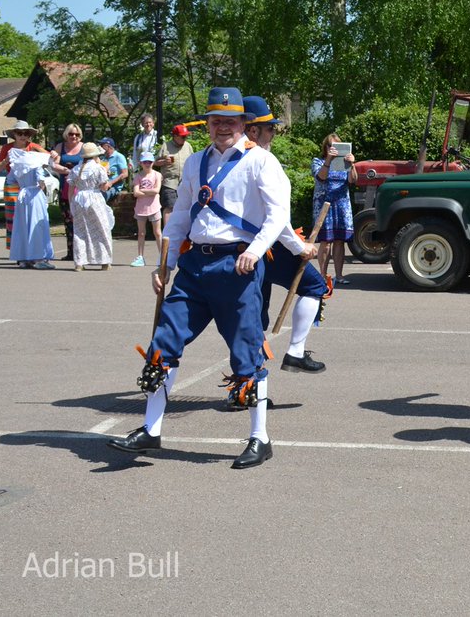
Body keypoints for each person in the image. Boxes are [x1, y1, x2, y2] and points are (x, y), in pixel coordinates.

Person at [108, 87, 294, 469]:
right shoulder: (194, 163)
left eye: (231, 121)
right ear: (207, 124)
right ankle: (151, 429)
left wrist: (254, 252)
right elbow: (180, 219)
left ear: (245, 124)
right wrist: (167, 264)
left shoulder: (261, 162)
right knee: (163, 343)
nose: (223, 127)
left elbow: (278, 217)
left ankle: (260, 437)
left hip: (237, 266)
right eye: (216, 121)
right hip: (194, 268)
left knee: (247, 353)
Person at [243, 95, 328, 374]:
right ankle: (295, 352)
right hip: (268, 246)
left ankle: (248, 377)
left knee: (256, 313)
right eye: (270, 128)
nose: (274, 133)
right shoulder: (263, 161)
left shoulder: (225, 161)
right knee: (315, 285)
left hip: (245, 247)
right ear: (253, 130)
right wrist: (298, 246)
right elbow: (276, 217)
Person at [0, 120, 49, 251]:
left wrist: (44, 158)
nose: (23, 136)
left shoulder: (33, 147)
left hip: (30, 184)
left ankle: (30, 247)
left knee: (30, 216)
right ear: (14, 135)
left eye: (26, 133)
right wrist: (6, 161)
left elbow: (48, 159)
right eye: (19, 133)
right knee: (13, 217)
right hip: (13, 185)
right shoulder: (8, 148)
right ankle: (15, 248)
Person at [312, 132, 357, 285]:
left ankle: (339, 275)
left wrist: (352, 164)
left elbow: (353, 180)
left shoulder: (344, 163)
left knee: (340, 241)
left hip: (342, 205)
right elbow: (321, 177)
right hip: (324, 205)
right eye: (331, 146)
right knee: (326, 241)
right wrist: (329, 161)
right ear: (325, 148)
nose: (334, 149)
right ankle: (323, 276)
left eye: (337, 146)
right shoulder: (318, 161)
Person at [7, 143, 57, 270]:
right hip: (34, 194)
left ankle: (24, 258)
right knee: (37, 225)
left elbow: (10, 180)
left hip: (22, 195)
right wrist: (40, 184)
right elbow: (41, 182)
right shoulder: (35, 164)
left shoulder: (17, 164)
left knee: (22, 226)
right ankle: (39, 258)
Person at [68, 142, 114, 270]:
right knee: (102, 228)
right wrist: (107, 177)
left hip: (79, 199)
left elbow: (71, 189)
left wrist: (71, 203)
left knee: (80, 231)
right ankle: (105, 261)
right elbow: (104, 187)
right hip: (94, 198)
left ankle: (79, 262)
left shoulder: (75, 169)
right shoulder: (98, 168)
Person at [51, 123, 85, 261]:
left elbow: (92, 163)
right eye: (71, 134)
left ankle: (82, 252)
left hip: (81, 189)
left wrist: (77, 172)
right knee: (68, 221)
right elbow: (54, 164)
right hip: (65, 188)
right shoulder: (60, 147)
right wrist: (67, 171)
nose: (74, 137)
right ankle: (71, 252)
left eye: (77, 134)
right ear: (66, 134)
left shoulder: (84, 148)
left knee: (81, 221)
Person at [155, 124, 194, 226]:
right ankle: (168, 234)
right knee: (169, 207)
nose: (185, 138)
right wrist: (164, 161)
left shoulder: (188, 146)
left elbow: (193, 162)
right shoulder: (165, 146)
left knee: (185, 207)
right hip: (170, 182)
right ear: (175, 136)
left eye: (186, 136)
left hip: (185, 182)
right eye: (183, 136)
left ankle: (183, 233)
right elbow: (155, 163)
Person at [130, 152, 163, 267]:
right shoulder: (138, 176)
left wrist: (142, 191)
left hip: (154, 207)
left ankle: (162, 257)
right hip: (141, 208)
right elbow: (135, 192)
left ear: (153, 162)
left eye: (149, 162)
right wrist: (147, 192)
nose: (147, 164)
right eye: (145, 162)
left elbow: (156, 190)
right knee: (141, 233)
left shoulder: (157, 175)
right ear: (141, 163)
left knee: (157, 233)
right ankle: (140, 257)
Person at [98, 138, 130, 204]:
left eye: (102, 145)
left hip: (113, 187)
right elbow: (109, 173)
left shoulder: (119, 157)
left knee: (101, 199)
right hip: (102, 186)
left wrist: (111, 183)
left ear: (108, 146)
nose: (100, 147)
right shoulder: (103, 158)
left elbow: (125, 174)